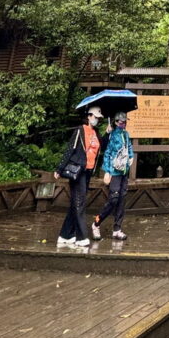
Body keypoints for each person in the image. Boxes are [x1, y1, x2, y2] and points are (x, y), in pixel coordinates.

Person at [54, 105, 103, 248]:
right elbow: (70, 150)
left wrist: (107, 133)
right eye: (95, 117)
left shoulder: (96, 133)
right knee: (79, 203)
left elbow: (101, 147)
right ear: (88, 116)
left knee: (75, 204)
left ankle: (65, 235)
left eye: (99, 118)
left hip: (88, 172)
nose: (97, 120)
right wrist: (59, 168)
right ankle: (81, 237)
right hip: (77, 172)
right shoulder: (80, 131)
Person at [92, 110, 133, 241]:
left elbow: (129, 147)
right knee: (113, 198)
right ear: (116, 122)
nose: (123, 124)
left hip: (124, 171)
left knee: (122, 199)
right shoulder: (112, 135)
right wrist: (108, 171)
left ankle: (117, 228)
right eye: (121, 122)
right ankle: (97, 222)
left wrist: (131, 157)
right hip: (114, 171)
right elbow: (107, 153)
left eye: (125, 122)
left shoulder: (126, 134)